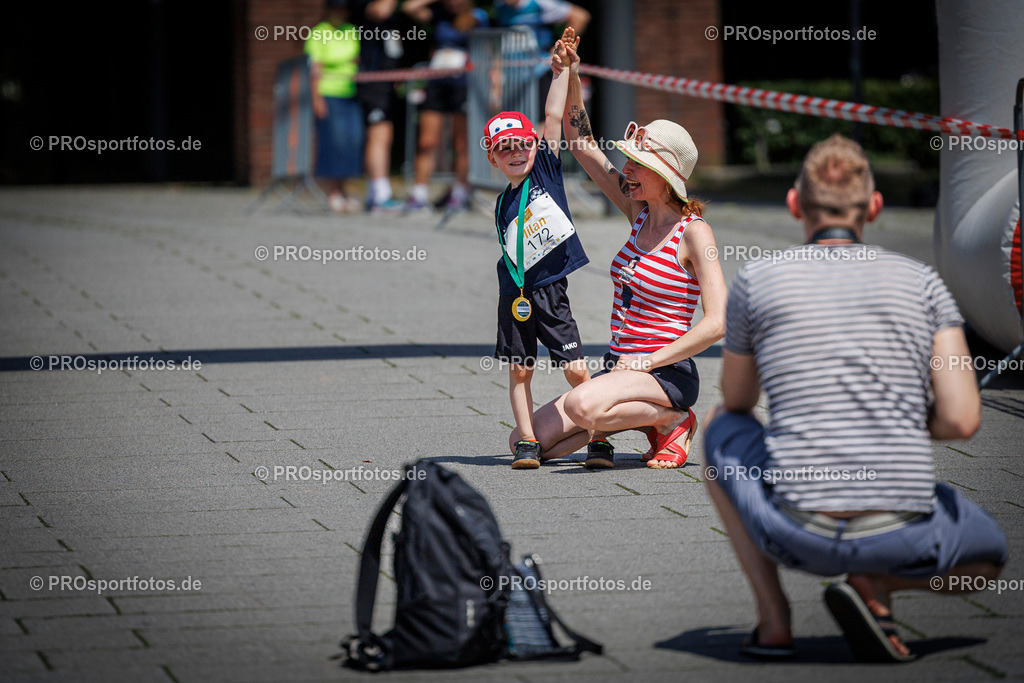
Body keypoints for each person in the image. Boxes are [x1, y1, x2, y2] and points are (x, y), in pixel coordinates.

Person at [702, 134, 1008, 662]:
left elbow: (736, 399)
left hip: (794, 531)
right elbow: (961, 420)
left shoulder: (757, 279)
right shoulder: (925, 284)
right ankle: (879, 583)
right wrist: (897, 414)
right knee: (988, 560)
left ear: (794, 204)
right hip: (905, 538)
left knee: (717, 425)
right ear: (875, 206)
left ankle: (774, 622)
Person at [510, 30, 727, 470]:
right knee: (524, 439)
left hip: (665, 371)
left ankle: (672, 419)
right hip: (619, 367)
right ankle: (640, 420)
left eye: (636, 164)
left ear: (665, 176)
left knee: (584, 407)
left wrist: (648, 361)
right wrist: (572, 72)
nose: (625, 169)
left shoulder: (694, 234)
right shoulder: (638, 211)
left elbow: (718, 322)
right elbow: (581, 143)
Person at [486, 39, 592, 470]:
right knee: (520, 371)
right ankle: (528, 442)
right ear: (493, 158)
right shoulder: (500, 203)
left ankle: (599, 438)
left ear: (535, 145)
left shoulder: (546, 170)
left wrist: (561, 71)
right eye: (504, 148)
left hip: (550, 292)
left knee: (576, 369)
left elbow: (552, 116)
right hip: (515, 294)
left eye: (522, 144)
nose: (516, 153)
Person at [402, 0, 488, 213]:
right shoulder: (438, 15)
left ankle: (459, 194)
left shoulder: (477, 17)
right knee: (426, 141)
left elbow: (487, 51)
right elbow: (409, 8)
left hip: (463, 86)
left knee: (461, 144)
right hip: (436, 85)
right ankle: (419, 194)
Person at [306, 0, 365, 214]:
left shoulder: (351, 30)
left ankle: (345, 191)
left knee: (353, 141)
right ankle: (333, 192)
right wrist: (316, 99)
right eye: (336, 8)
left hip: (351, 93)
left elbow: (357, 59)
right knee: (334, 143)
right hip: (328, 93)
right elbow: (314, 68)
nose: (339, 13)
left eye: (343, 9)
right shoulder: (318, 32)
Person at [351, 0, 406, 212]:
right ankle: (379, 196)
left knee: (384, 136)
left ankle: (377, 192)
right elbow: (381, 10)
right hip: (372, 82)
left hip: (386, 85)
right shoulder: (367, 5)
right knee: (379, 136)